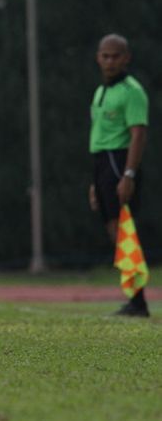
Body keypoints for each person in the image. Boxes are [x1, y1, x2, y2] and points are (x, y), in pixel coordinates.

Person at [88, 34, 150, 317]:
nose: (109, 61)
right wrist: (94, 182)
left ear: (126, 58)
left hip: (118, 160)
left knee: (124, 229)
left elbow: (138, 133)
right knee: (114, 230)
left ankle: (138, 302)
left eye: (115, 56)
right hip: (101, 162)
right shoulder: (101, 92)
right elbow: (98, 136)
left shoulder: (131, 91)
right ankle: (134, 298)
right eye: (105, 55)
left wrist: (128, 174)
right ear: (98, 58)